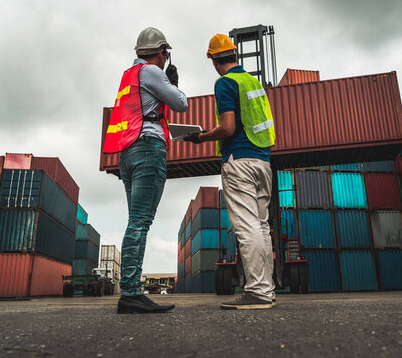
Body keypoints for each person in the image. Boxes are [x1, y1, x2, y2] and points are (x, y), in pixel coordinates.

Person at [185, 34, 276, 310]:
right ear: (234, 55)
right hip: (263, 162)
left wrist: (200, 137)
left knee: (247, 226)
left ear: (213, 59)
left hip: (239, 161)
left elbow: (227, 127)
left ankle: (258, 292)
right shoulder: (253, 82)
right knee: (261, 226)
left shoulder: (225, 83)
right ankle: (267, 290)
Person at [103, 27, 188, 314]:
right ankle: (130, 293)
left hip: (126, 152)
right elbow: (182, 104)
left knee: (135, 220)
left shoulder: (128, 75)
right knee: (140, 221)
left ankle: (130, 291)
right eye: (166, 54)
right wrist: (173, 84)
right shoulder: (153, 72)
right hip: (148, 147)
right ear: (161, 52)